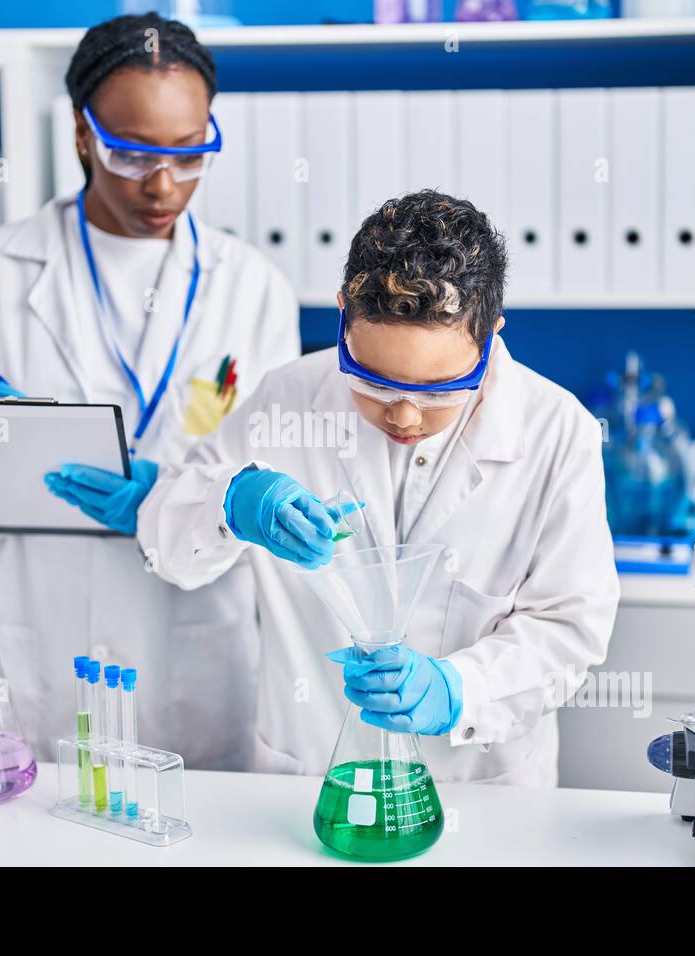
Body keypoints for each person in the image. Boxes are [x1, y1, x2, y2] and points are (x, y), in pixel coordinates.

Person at [0, 13, 299, 767]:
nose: (162, 184)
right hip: (43, 641)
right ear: (83, 134)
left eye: (190, 156)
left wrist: (177, 499)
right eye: (132, 153)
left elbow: (259, 481)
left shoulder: (253, 287)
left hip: (194, 644)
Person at [138, 190, 618, 785]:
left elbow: (569, 627)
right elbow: (168, 540)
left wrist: (457, 689)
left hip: (482, 788)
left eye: (441, 389)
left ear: (490, 334)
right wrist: (232, 503)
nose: (405, 417)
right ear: (344, 316)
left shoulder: (555, 431)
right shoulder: (286, 399)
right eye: (373, 382)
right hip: (308, 778)